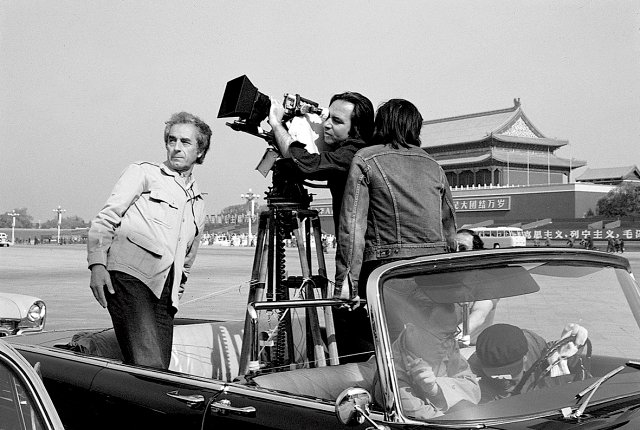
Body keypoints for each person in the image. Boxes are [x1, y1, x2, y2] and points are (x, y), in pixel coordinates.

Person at [334, 99, 457, 361]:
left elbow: (353, 225)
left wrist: (347, 282)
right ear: (416, 128)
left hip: (386, 271)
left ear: (380, 125)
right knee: (427, 350)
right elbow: (449, 229)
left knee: (384, 350)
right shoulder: (433, 164)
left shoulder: (366, 158)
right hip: (432, 273)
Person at [87, 112, 212, 369]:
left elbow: (187, 261)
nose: (176, 147)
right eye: (171, 140)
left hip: (165, 295)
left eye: (185, 142)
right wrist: (97, 265)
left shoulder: (198, 203)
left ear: (200, 151)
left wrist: (175, 298)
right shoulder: (143, 173)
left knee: (159, 371)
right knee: (149, 366)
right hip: (130, 278)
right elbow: (106, 219)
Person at [267, 91, 375, 232]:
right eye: (328, 117)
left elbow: (309, 165)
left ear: (357, 129)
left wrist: (276, 125)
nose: (326, 125)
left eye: (337, 121)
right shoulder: (359, 150)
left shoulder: (353, 155)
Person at [469, 323, 589, 402]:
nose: (503, 380)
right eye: (494, 375)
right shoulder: (472, 376)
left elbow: (548, 351)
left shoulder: (533, 344)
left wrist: (569, 349)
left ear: (524, 358)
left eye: (509, 373)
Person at [454, 229, 497, 346]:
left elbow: (480, 313)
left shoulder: (487, 280)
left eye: (462, 248)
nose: (456, 252)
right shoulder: (442, 279)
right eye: (452, 248)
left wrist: (457, 335)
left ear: (474, 253)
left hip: (469, 348)